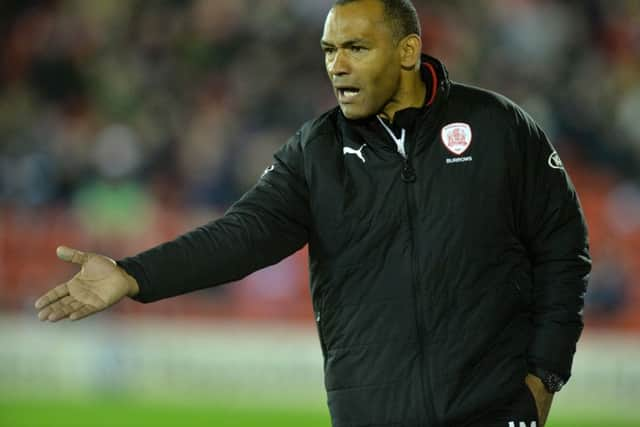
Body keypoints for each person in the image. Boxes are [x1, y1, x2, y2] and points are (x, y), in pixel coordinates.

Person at [34, 1, 591, 426]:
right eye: (328, 50)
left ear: (407, 51)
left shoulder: (498, 125)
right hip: (370, 414)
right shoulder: (315, 153)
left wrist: (544, 376)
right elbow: (242, 235)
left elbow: (564, 249)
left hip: (493, 410)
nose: (337, 66)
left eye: (355, 48)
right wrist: (134, 275)